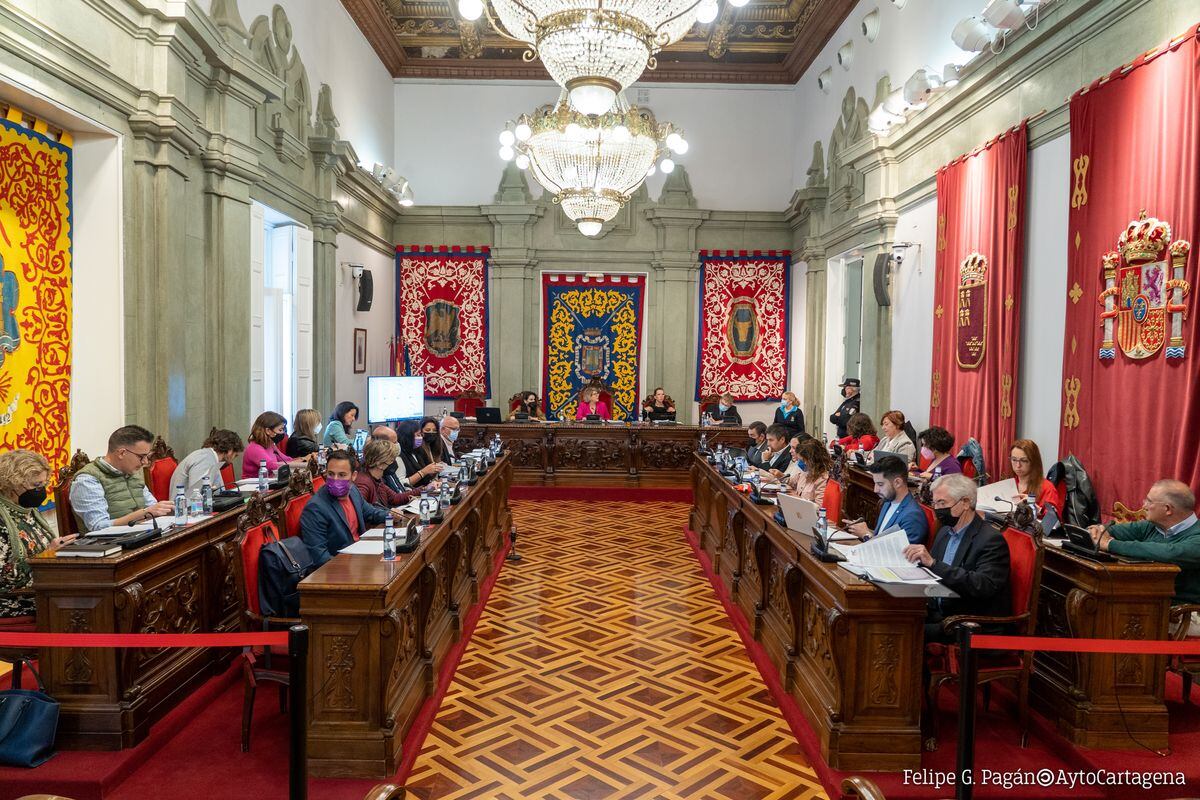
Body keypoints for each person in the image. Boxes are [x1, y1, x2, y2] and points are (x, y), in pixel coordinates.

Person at [903, 474, 1011, 642]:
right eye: (935, 503)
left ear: (966, 503)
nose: (938, 509)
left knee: (903, 633)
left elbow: (982, 586)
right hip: (937, 613)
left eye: (943, 503)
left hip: (968, 623)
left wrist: (932, 563)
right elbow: (932, 575)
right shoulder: (945, 532)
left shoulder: (990, 540)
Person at [1088, 480, 1200, 603]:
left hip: (1183, 614)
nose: (1144, 506)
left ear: (1167, 509)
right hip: (1147, 602)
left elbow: (1170, 553)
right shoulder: (1152, 525)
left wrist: (1110, 544)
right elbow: (1112, 530)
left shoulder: (1196, 536)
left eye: (1149, 501)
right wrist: (1098, 531)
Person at [0, 450, 76, 618]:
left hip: (41, 587)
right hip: (14, 599)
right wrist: (47, 554)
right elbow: (5, 580)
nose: (41, 491)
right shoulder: (2, 519)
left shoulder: (28, 510)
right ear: (12, 484)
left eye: (43, 484)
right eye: (35, 486)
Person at [299, 450, 397, 567]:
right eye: (331, 474)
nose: (335, 479)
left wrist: (390, 515)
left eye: (342, 475)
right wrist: (350, 567)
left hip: (361, 555)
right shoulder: (315, 508)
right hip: (340, 567)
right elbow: (319, 557)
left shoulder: (353, 490)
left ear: (354, 476)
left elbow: (370, 512)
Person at [69, 425, 175, 531]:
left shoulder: (131, 474)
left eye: (147, 457)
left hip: (141, 535)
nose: (145, 462)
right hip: (110, 544)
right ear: (122, 453)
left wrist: (166, 509)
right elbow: (98, 527)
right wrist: (144, 513)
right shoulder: (87, 479)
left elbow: (152, 507)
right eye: (141, 457)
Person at [847, 455, 929, 545]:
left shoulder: (913, 517)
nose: (875, 490)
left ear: (897, 482)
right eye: (875, 484)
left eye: (880, 484)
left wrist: (866, 535)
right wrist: (860, 529)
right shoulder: (887, 502)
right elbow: (882, 536)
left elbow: (900, 555)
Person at [170, 429, 244, 498]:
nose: (232, 461)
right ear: (230, 451)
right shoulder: (205, 458)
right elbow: (196, 495)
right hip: (183, 509)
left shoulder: (211, 457)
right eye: (235, 456)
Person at [1009, 439, 1062, 519]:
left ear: (1034, 462)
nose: (1018, 465)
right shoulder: (1009, 484)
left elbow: (1054, 522)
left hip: (1035, 530)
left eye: (1024, 460)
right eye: (1014, 460)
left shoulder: (1047, 488)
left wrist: (1038, 510)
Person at [355, 439, 414, 510]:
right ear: (379, 464)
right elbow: (362, 510)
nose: (394, 463)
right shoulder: (363, 482)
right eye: (392, 460)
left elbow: (395, 498)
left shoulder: (377, 479)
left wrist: (423, 490)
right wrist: (387, 514)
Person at [242, 411, 304, 479]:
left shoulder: (270, 446)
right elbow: (271, 466)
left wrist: (304, 459)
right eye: (280, 430)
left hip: (267, 483)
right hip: (252, 486)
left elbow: (286, 459)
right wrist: (299, 463)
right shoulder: (254, 448)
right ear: (268, 431)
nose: (283, 433)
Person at [784, 437, 832, 503]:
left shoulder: (823, 478)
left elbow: (820, 508)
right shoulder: (804, 471)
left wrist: (800, 499)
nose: (800, 463)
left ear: (813, 460)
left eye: (802, 460)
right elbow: (791, 485)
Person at [397, 420, 444, 488]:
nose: (421, 438)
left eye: (421, 435)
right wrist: (423, 472)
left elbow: (427, 477)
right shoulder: (399, 456)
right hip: (411, 495)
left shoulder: (418, 451)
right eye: (418, 435)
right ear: (408, 436)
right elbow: (401, 484)